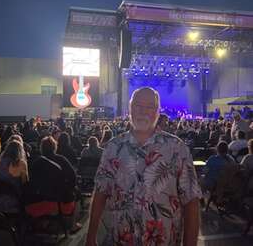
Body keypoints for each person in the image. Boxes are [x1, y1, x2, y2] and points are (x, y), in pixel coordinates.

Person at [86, 87, 201, 246]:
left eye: (150, 107)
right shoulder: (113, 147)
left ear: (158, 111)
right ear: (130, 108)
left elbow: (191, 201)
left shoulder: (177, 148)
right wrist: (90, 237)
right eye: (138, 105)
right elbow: (100, 193)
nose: (143, 111)